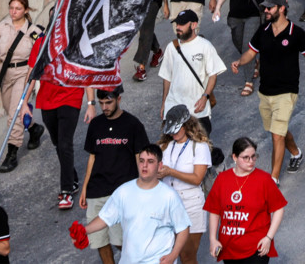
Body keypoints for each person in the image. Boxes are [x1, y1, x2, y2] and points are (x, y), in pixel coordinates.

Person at [232, 0, 305, 184]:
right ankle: (296, 154)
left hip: (287, 92)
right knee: (277, 132)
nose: (266, 11)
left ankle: (273, 180)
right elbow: (251, 52)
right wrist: (240, 62)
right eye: (265, 8)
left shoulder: (296, 33)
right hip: (265, 92)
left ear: (281, 9)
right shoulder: (263, 30)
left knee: (277, 137)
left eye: (269, 8)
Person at [81, 144, 190, 264]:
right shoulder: (123, 192)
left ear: (159, 166)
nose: (144, 165)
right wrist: (83, 230)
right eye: (142, 161)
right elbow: (105, 218)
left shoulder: (169, 196)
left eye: (150, 161)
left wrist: (173, 256)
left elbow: (183, 228)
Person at [79, 84, 149, 264]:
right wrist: (85, 187)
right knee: (100, 241)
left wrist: (143, 190)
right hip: (97, 191)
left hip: (122, 192)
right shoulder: (95, 124)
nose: (104, 107)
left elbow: (140, 160)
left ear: (119, 99)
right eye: (101, 103)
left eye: (108, 102)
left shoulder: (133, 125)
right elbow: (92, 157)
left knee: (122, 242)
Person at [26, 32, 97, 210]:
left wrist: (90, 103)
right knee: (58, 143)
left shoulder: (76, 41)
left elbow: (86, 72)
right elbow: (32, 73)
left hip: (70, 98)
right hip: (46, 101)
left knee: (65, 144)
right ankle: (71, 178)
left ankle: (66, 191)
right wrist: (24, 102)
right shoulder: (41, 42)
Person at [205, 137, 286, 262]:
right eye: (246, 157)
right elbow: (214, 211)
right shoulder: (222, 179)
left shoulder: (264, 179)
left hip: (256, 249)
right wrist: (212, 239)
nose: (251, 161)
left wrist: (268, 238)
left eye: (253, 156)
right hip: (229, 249)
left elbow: (279, 208)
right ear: (234, 157)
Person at [213, 0, 274, 97]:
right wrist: (218, 7)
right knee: (238, 42)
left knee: (247, 46)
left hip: (254, 15)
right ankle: (254, 60)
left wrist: (278, 5)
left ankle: (248, 81)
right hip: (235, 16)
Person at [0, 0, 44, 172]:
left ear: (26, 10)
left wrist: (33, 79)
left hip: (24, 72)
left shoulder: (33, 30)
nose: (14, 12)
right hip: (6, 74)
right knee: (11, 110)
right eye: (11, 8)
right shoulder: (2, 27)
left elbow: (38, 55)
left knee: (15, 112)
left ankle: (11, 154)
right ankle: (35, 129)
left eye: (18, 8)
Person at [158, 106, 212, 264]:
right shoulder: (164, 146)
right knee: (167, 252)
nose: (173, 133)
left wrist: (171, 172)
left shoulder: (200, 147)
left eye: (176, 129)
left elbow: (197, 179)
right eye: (171, 130)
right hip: (168, 204)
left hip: (191, 204)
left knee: (187, 256)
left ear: (186, 125)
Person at [159, 10, 227, 134]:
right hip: (173, 107)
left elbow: (213, 74)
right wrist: (164, 102)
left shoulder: (205, 46)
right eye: (177, 24)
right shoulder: (171, 47)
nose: (178, 27)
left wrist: (205, 97)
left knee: (199, 148)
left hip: (197, 109)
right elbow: (167, 77)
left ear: (194, 25)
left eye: (182, 24)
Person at [133, 0, 168, 82]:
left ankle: (141, 68)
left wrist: (166, 5)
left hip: (154, 0)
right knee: (144, 28)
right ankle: (157, 51)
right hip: (140, 1)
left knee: (146, 28)